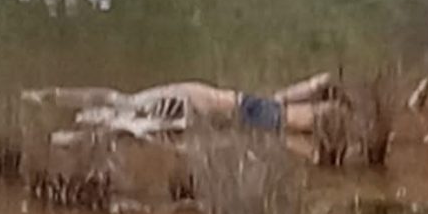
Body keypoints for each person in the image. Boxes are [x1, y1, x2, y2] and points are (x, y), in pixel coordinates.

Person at [21, 72, 350, 135]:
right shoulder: (137, 104)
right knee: (275, 105)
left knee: (288, 120)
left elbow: (99, 99)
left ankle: (335, 102)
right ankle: (321, 83)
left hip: (237, 111)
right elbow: (100, 98)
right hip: (232, 104)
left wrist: (54, 94)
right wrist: (54, 95)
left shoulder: (134, 108)